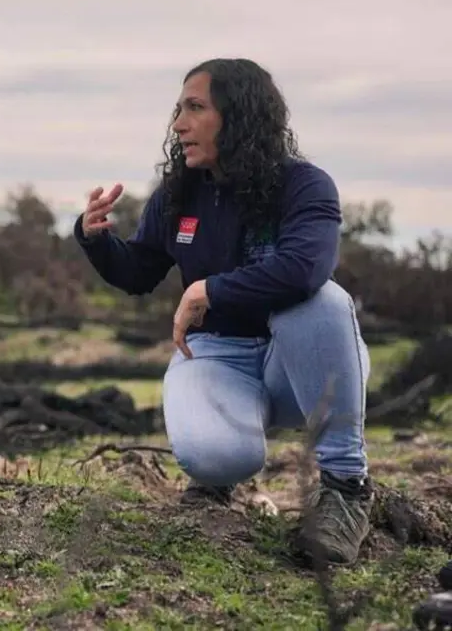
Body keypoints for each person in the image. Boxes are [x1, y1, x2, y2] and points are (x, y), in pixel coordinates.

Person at [74, 58, 373, 565]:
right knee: (213, 460)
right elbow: (138, 272)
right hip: (218, 355)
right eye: (178, 109)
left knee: (320, 300)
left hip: (299, 363)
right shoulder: (178, 194)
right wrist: (95, 239)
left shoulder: (305, 185)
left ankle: (346, 488)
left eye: (195, 108)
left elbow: (304, 267)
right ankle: (222, 479)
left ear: (239, 116)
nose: (178, 124)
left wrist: (211, 290)